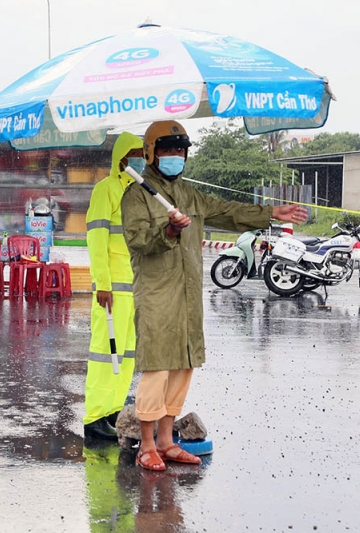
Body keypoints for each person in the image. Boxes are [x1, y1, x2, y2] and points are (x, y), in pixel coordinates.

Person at [120, 120, 308, 471]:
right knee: (157, 366)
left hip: (190, 293)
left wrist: (269, 213)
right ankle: (146, 445)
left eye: (180, 150)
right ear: (151, 153)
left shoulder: (191, 195)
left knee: (183, 364)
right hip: (158, 292)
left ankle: (166, 441)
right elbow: (138, 241)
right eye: (168, 150)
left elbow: (228, 211)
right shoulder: (137, 194)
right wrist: (170, 229)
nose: (176, 156)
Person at [83, 132, 145, 441]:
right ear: (121, 157)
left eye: (143, 153)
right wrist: (102, 285)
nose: (141, 159)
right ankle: (94, 418)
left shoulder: (139, 192)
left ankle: (113, 411)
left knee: (126, 356)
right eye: (135, 153)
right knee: (104, 354)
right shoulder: (105, 190)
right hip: (113, 291)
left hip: (136, 290)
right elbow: (96, 240)